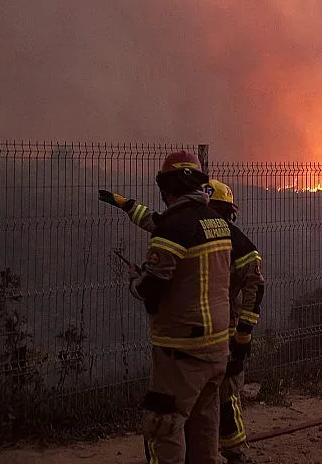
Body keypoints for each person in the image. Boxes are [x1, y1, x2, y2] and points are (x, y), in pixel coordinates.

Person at [101, 178, 264, 464]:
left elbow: (159, 225)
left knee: (168, 414)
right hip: (219, 332)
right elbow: (157, 221)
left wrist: (242, 336)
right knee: (214, 403)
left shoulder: (203, 230)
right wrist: (127, 205)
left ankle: (231, 451)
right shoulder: (221, 233)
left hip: (198, 336)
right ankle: (228, 452)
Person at [122, 150, 232, 463]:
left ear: (166, 189)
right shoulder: (217, 222)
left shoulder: (171, 230)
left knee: (164, 427)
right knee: (204, 430)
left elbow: (151, 288)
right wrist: (127, 206)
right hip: (217, 349)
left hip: (180, 351)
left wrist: (135, 280)